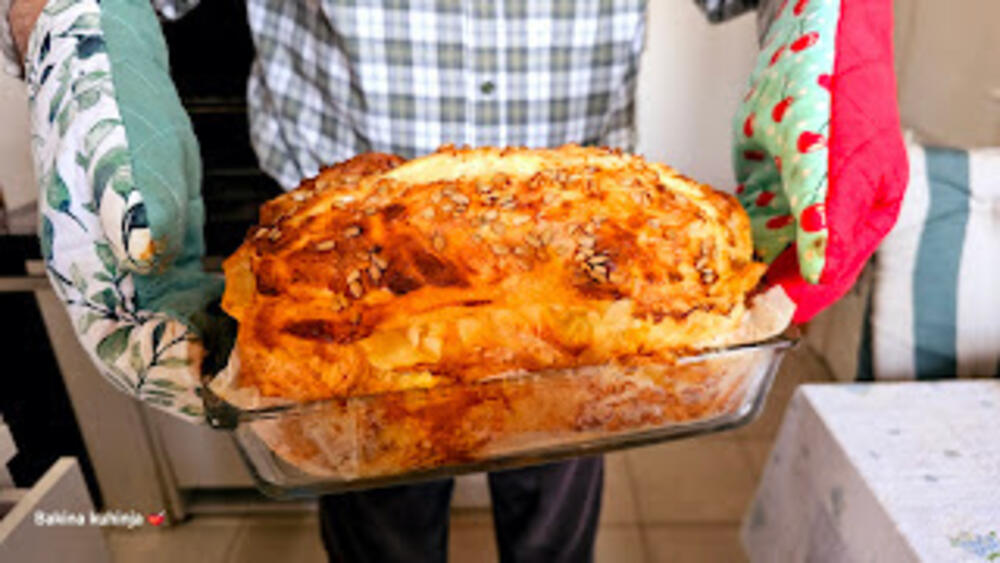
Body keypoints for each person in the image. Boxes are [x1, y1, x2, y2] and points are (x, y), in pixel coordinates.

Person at [2, 0, 906, 561]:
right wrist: (74, 51)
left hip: (603, 266)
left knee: (556, 515)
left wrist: (842, 35)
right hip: (335, 274)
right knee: (380, 525)